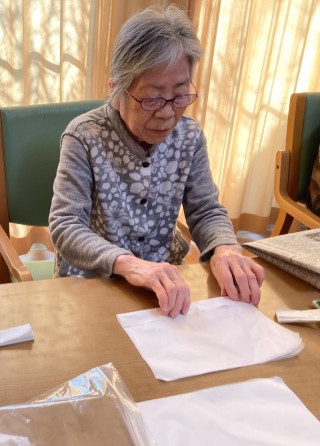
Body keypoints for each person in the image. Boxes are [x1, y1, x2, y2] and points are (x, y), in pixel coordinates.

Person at [49, 5, 264, 318]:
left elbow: (205, 210)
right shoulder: (84, 136)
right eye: (152, 98)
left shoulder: (189, 136)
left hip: (163, 286)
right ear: (116, 90)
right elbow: (66, 226)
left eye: (180, 96)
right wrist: (130, 265)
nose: (167, 113)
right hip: (93, 283)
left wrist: (224, 248)